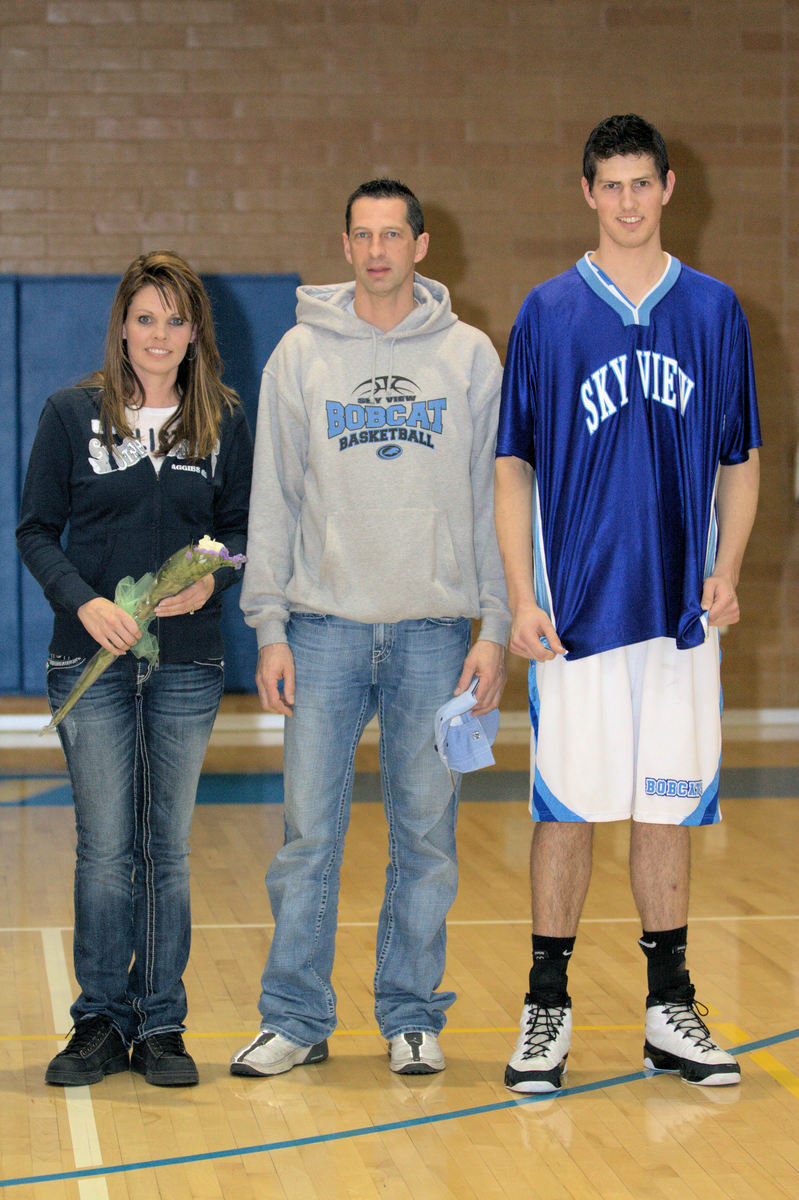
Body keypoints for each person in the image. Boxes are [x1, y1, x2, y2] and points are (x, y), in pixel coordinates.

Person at [494, 115, 760, 1093]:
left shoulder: (716, 310)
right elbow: (511, 465)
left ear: (667, 186)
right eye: (609, 186)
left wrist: (728, 565)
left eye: (641, 183)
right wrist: (521, 594)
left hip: (684, 613)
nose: (627, 202)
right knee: (566, 808)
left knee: (664, 809)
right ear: (586, 194)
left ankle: (668, 1010)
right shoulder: (547, 312)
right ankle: (545, 1010)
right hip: (576, 617)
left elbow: (740, 458)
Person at [232, 178, 510, 1078]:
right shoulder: (299, 355)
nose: (379, 249)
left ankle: (411, 1016)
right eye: (363, 235)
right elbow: (269, 497)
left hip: (433, 630)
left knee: (424, 836)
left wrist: (495, 624)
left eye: (395, 234)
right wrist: (267, 625)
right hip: (322, 627)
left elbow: (493, 502)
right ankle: (295, 1017)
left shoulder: (469, 357)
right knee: (308, 834)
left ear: (422, 245)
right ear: (345, 246)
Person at [17, 251, 253, 1088]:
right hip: (91, 659)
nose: (159, 334)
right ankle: (97, 1023)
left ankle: (160, 1025)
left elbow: (239, 531)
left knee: (169, 850)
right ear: (122, 325)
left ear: (196, 334)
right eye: (145, 318)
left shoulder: (221, 419)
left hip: (187, 665)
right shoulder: (68, 413)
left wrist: (209, 577)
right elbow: (36, 531)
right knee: (104, 849)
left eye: (175, 320)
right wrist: (84, 603)